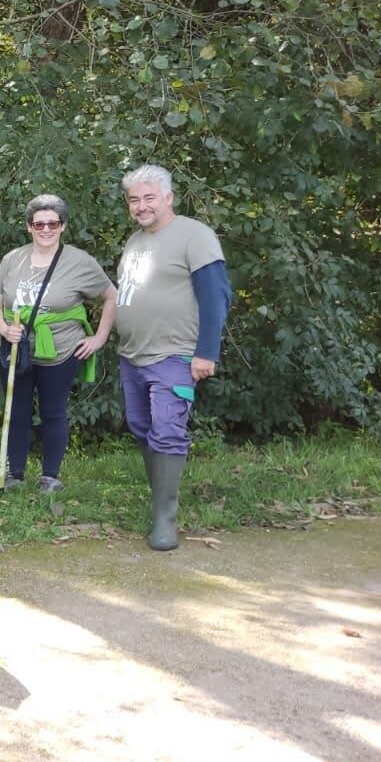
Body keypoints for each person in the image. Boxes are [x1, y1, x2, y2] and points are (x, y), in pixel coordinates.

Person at [113, 165, 231, 551]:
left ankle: (165, 518)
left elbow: (216, 296)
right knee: (141, 425)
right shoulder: (135, 241)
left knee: (167, 428)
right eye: (134, 199)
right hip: (133, 354)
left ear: (168, 197)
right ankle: (158, 498)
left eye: (149, 197)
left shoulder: (194, 236)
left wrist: (206, 352)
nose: (141, 205)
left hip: (175, 353)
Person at [0, 194, 117, 492]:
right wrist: (5, 329)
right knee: (17, 410)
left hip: (61, 349)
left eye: (53, 223)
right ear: (29, 227)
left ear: (62, 226)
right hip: (17, 349)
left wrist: (99, 337)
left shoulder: (80, 261)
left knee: (53, 411)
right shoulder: (13, 259)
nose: (46, 229)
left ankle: (50, 476)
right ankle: (15, 474)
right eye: (39, 223)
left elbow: (112, 296)